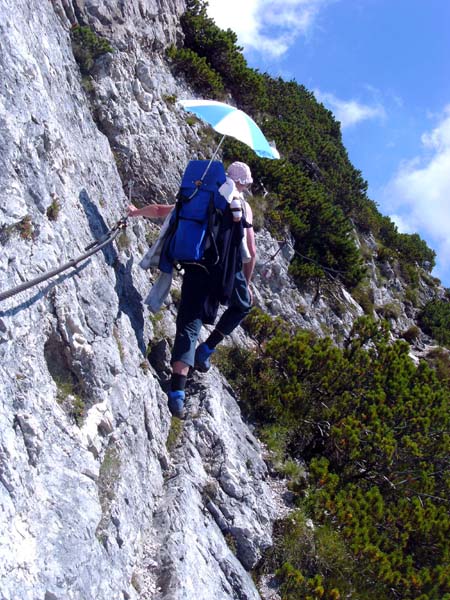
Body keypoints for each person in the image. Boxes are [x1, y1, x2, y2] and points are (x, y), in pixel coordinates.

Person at [128, 161, 256, 418]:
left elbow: (162, 211)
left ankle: (176, 394)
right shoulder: (242, 206)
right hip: (226, 270)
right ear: (242, 183)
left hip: (195, 263)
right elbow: (250, 252)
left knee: (189, 323)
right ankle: (207, 349)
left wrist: (135, 212)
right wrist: (246, 282)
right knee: (243, 304)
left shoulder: (201, 196)